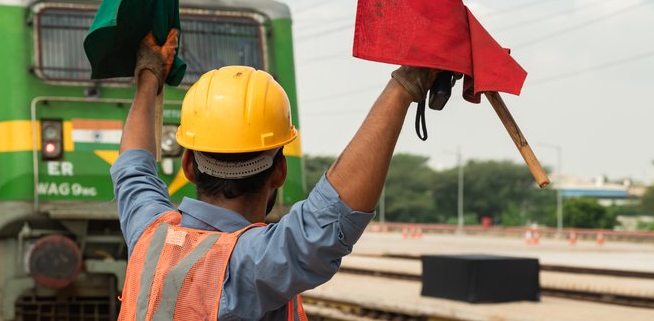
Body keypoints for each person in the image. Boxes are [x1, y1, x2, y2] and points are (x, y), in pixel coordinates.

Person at [111, 30, 438, 320]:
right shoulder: (248, 264)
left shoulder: (150, 234)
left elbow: (133, 168)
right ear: (278, 171)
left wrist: (149, 75)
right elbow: (329, 219)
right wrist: (406, 84)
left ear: (188, 167)